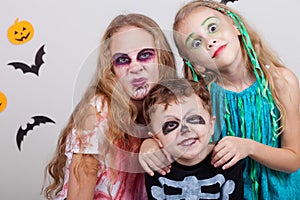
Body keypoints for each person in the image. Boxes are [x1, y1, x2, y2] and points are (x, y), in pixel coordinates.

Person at [139, 0, 300, 199]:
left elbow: (294, 159)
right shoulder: (200, 97)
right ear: (196, 64)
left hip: (282, 194)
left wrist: (249, 147)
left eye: (213, 28)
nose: (210, 41)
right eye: (196, 43)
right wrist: (150, 144)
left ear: (236, 26)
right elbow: (177, 132)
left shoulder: (281, 82)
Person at [42, 13, 177, 200]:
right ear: (111, 69)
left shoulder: (173, 107)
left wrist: (151, 142)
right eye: (122, 60)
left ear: (162, 58)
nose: (135, 67)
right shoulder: (98, 111)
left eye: (145, 55)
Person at [143, 78, 244, 199]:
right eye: (171, 124)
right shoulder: (157, 166)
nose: (185, 129)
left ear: (211, 125)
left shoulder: (226, 159)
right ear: (157, 139)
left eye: (193, 118)